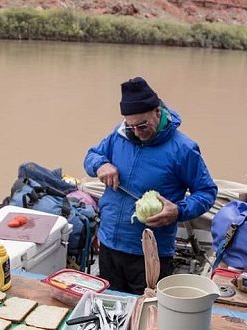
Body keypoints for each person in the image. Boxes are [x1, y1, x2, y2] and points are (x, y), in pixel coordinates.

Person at [83, 76, 217, 294]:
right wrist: (100, 165)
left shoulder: (183, 149)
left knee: (146, 314)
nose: (136, 132)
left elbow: (207, 192)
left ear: (158, 111)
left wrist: (179, 211)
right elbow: (92, 155)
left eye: (142, 125)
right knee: (108, 308)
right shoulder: (119, 136)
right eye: (131, 126)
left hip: (149, 253)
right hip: (108, 245)